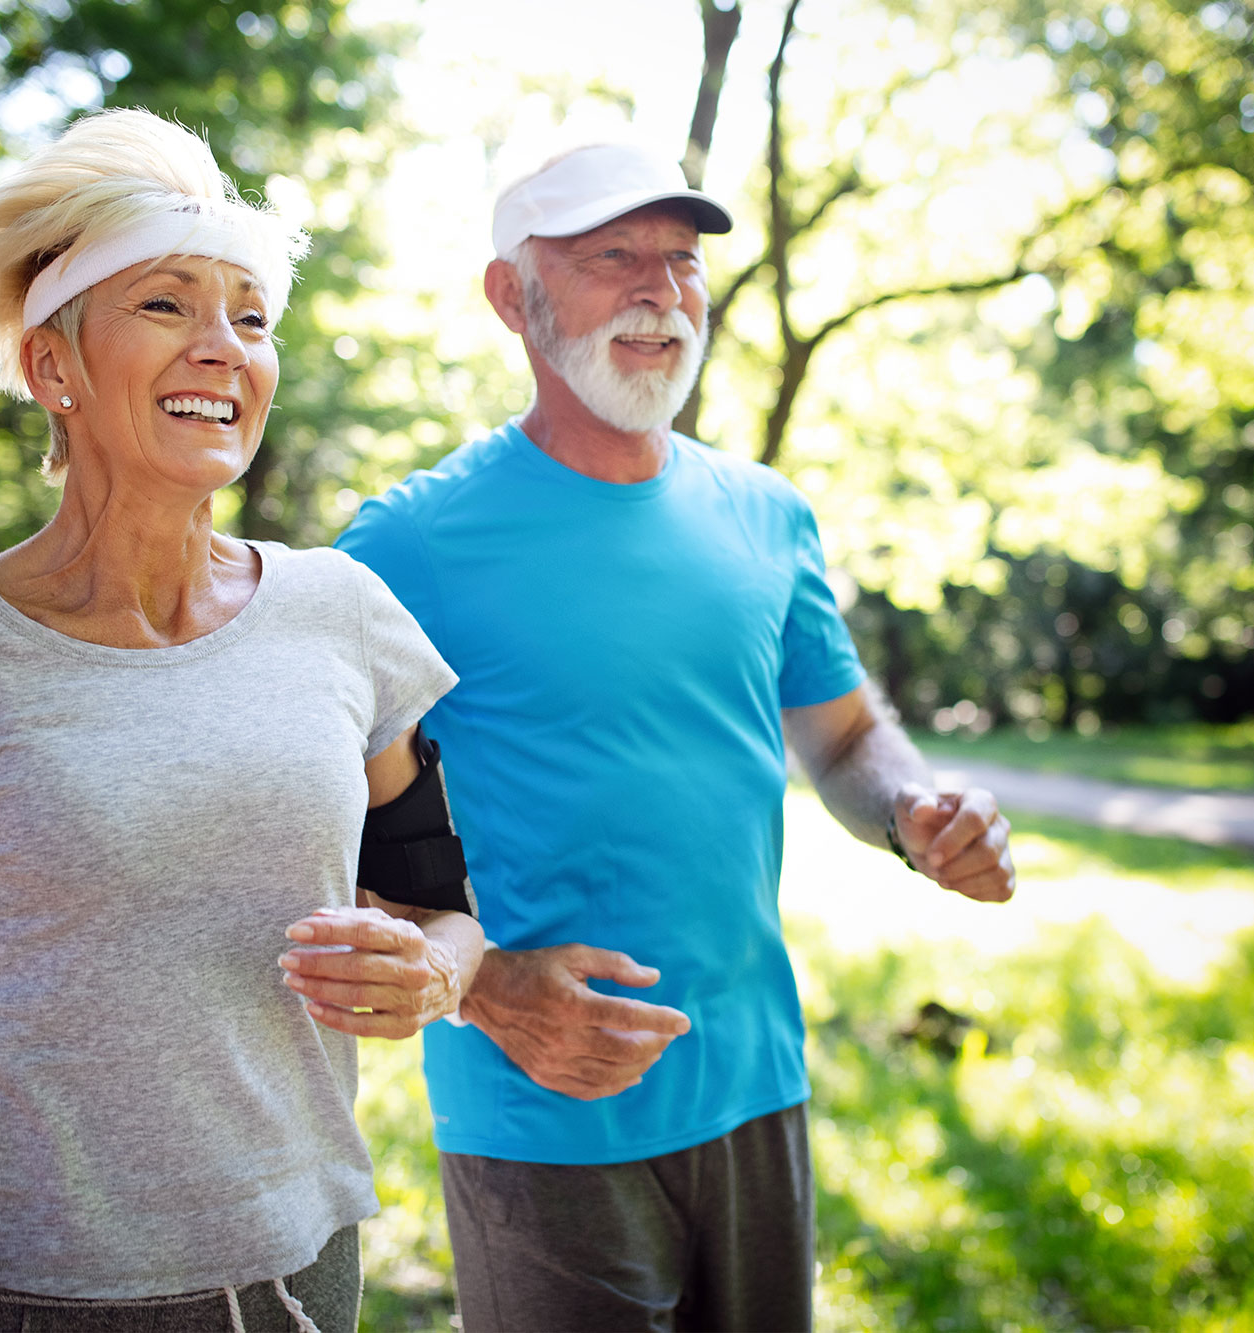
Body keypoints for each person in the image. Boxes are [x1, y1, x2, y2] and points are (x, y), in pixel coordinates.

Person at [0, 108, 485, 1333]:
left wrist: (433, 970)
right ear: (53, 366)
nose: (223, 346)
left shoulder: (341, 611)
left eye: (251, 315)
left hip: (302, 1266)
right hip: (19, 1282)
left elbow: (444, 902)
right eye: (167, 304)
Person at [336, 141, 1018, 1333]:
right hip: (545, 1103)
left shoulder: (767, 515)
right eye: (613, 257)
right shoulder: (408, 545)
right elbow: (298, 821)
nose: (661, 288)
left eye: (682, 259)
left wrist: (910, 814)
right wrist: (484, 987)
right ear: (512, 296)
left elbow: (848, 736)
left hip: (759, 1083)